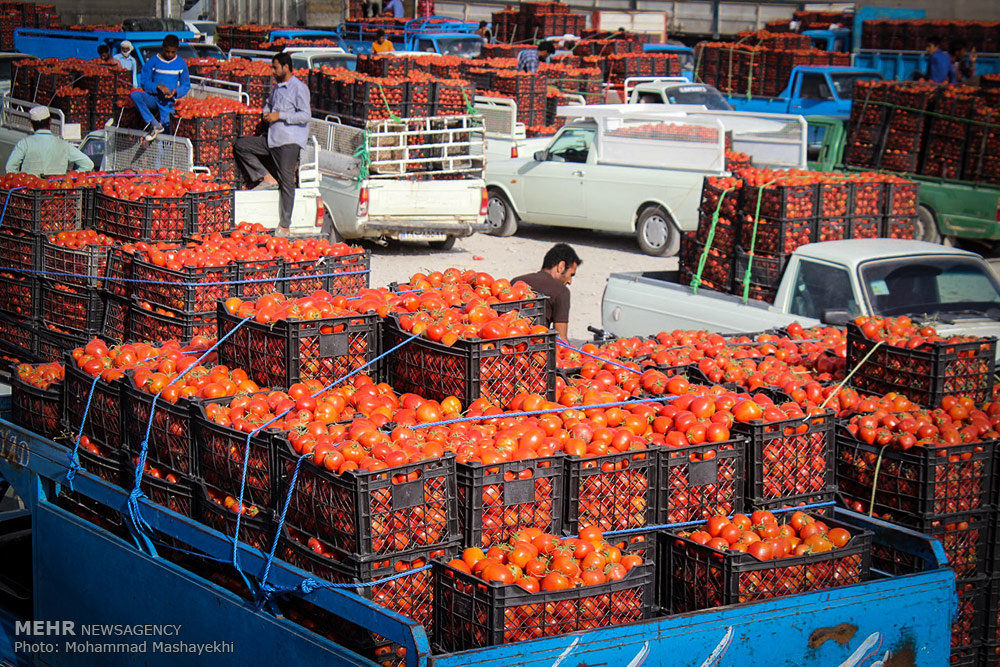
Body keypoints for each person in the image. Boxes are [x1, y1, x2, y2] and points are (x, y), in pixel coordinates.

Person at [234, 52, 311, 237]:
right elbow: (268, 104)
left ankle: (285, 225)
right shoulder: (277, 88)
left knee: (287, 182)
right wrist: (267, 112)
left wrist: (280, 116)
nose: (273, 71)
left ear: (286, 67)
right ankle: (266, 177)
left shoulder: (299, 88)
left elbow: (305, 115)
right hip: (271, 140)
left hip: (289, 142)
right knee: (241, 145)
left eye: (275, 67)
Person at [513, 244, 582, 339]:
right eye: (571, 274)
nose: (570, 281)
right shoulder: (561, 291)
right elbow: (561, 339)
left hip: (508, 344)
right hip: (536, 348)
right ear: (561, 266)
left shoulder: (516, 281)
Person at [131, 34, 191, 141]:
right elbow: (144, 82)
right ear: (163, 48)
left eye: (173, 52)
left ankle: (162, 155)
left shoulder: (181, 64)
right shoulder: (153, 61)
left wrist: (176, 92)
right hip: (153, 98)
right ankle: (154, 123)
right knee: (135, 95)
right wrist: (157, 87)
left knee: (165, 134)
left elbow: (186, 85)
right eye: (167, 51)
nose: (170, 54)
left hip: (168, 102)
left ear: (177, 50)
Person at [5, 106, 93, 176]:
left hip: (29, 191)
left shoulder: (24, 143)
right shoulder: (64, 145)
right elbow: (88, 164)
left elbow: (10, 168)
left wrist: (22, 178)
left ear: (31, 124)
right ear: (50, 122)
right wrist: (68, 176)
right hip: (55, 192)